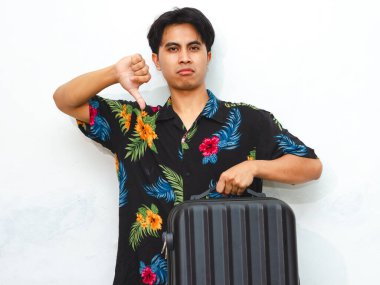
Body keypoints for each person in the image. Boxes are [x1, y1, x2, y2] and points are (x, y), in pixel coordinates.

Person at [53, 7, 322, 285]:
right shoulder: (134, 122)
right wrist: (113, 73)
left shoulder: (246, 120)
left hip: (229, 274)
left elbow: (311, 166)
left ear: (208, 56)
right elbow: (65, 101)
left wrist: (254, 166)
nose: (184, 57)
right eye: (172, 49)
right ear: (156, 60)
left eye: (193, 47)